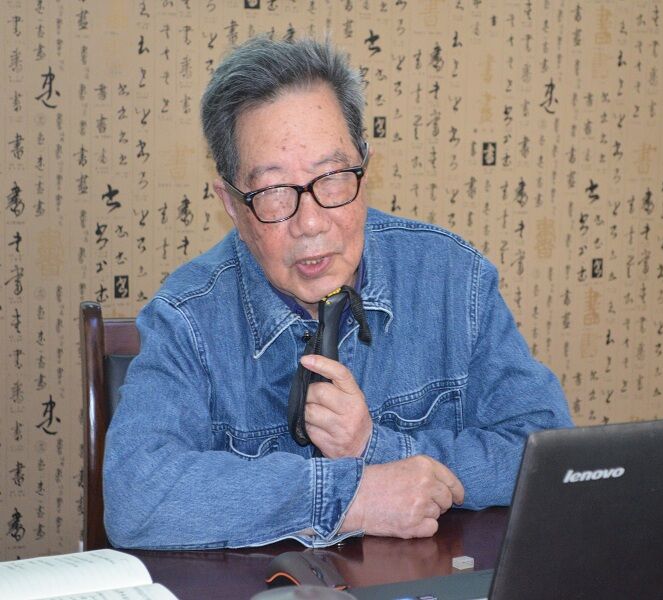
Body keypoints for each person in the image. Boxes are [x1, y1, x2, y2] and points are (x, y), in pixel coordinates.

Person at [103, 35, 572, 550]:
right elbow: (136, 495)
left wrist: (376, 446)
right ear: (232, 204)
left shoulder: (452, 279)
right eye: (273, 191)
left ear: (365, 171)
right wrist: (349, 495)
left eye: (331, 178)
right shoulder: (187, 316)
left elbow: (546, 453)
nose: (310, 222)